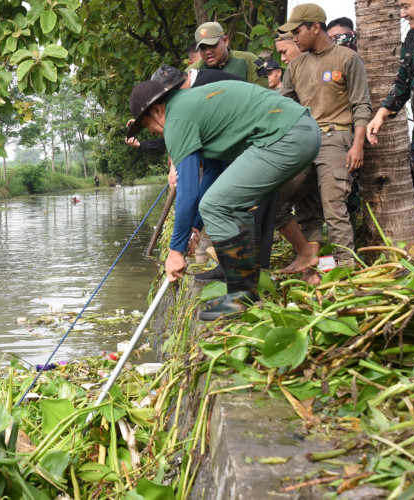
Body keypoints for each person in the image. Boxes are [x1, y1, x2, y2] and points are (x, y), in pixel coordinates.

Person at [127, 78, 320, 320]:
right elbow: (212, 173)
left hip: (285, 137)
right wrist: (195, 228)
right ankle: (244, 294)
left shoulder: (177, 119)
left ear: (157, 110)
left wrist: (175, 250)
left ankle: (241, 297)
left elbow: (187, 191)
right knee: (229, 203)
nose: (154, 133)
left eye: (149, 126)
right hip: (302, 131)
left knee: (216, 205)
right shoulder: (191, 107)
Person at [277, 3, 372, 279]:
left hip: (336, 137)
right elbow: (284, 108)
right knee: (279, 199)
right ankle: (310, 258)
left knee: (334, 207)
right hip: (305, 141)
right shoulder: (295, 66)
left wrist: (357, 144)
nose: (293, 38)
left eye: (297, 32)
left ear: (315, 27)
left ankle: (345, 270)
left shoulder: (347, 58)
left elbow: (361, 105)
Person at [367, 0, 414, 210]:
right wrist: (380, 115)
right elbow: (403, 83)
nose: (402, 14)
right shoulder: (413, 37)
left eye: (406, 6)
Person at [189, 21, 268, 88]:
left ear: (225, 41)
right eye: (202, 48)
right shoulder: (192, 72)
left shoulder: (248, 61)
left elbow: (261, 96)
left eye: (212, 45)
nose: (207, 52)